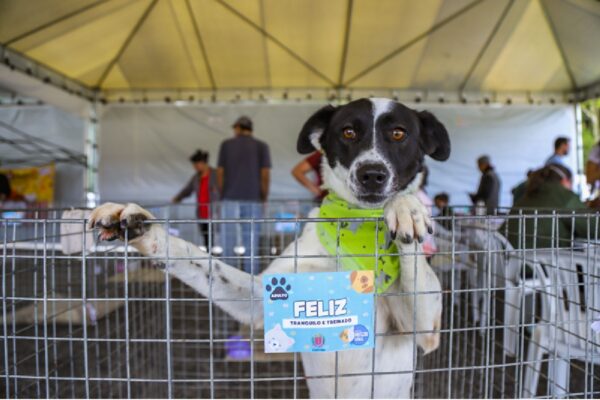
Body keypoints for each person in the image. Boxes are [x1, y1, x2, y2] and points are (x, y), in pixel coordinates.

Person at [217, 116, 271, 274]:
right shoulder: (262, 146)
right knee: (252, 239)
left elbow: (220, 172)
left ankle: (228, 275)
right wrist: (264, 195)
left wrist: (223, 192)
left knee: (228, 238)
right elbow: (265, 174)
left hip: (229, 198)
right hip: (253, 198)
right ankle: (251, 278)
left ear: (238, 128)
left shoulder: (226, 145)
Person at [502, 163, 597, 249]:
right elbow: (594, 228)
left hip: (510, 262)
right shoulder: (564, 196)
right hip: (544, 265)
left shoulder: (528, 195)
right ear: (565, 181)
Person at [172, 150, 219, 246]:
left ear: (203, 162)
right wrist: (177, 198)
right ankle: (209, 258)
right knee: (207, 240)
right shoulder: (196, 178)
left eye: (197, 164)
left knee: (218, 239)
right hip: (202, 214)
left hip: (216, 213)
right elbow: (187, 189)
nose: (195, 167)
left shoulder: (216, 175)